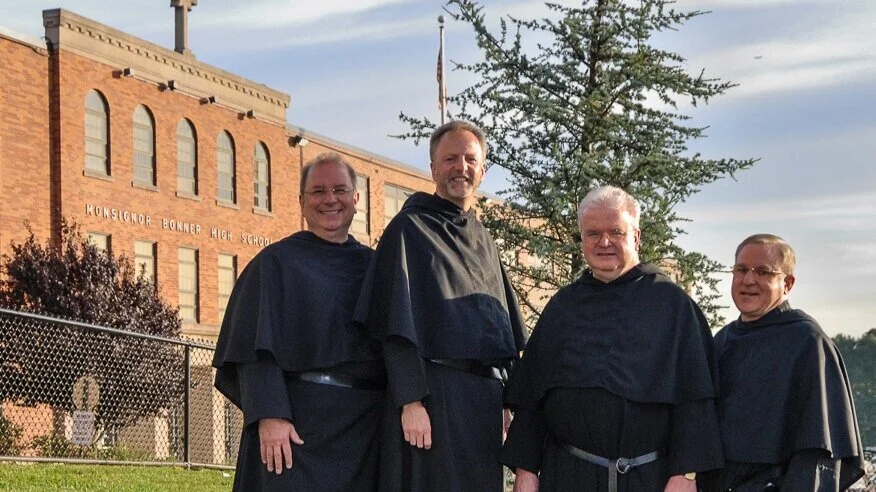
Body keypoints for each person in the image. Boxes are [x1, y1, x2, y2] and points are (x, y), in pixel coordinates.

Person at [500, 185, 724, 492]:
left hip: (649, 479)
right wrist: (525, 472)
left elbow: (695, 400)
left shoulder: (673, 306)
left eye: (616, 232)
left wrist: (685, 475)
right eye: (593, 234)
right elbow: (533, 399)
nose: (604, 242)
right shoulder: (563, 307)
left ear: (636, 237)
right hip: (568, 477)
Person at [354, 120, 527, 492]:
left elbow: (502, 329)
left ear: (482, 169)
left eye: (469, 159)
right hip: (434, 397)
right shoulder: (409, 228)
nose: (460, 167)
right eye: (450, 159)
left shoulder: (484, 239)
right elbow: (394, 324)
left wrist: (509, 403)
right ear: (433, 167)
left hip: (483, 403)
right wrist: (411, 400)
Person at [212, 153, 384, 491]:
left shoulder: (377, 267)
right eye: (318, 191)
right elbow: (253, 350)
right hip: (295, 428)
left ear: (356, 198)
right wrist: (269, 414)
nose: (330, 199)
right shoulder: (275, 263)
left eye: (339, 189)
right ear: (301, 202)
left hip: (364, 430)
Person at [701, 234, 865, 492]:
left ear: (787, 283)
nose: (748, 280)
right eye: (741, 270)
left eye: (763, 272)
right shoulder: (721, 341)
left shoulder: (807, 342)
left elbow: (817, 446)